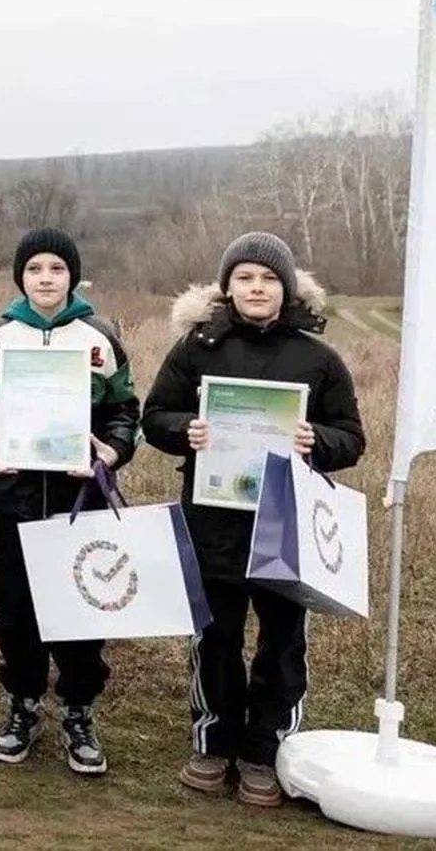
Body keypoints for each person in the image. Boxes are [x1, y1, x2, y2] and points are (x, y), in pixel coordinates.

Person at [141, 231, 366, 807]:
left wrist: (317, 438)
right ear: (227, 287)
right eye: (245, 278)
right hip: (213, 519)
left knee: (282, 642)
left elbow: (352, 437)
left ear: (286, 287)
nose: (256, 288)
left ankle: (264, 751)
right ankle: (213, 744)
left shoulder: (317, 358)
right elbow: (156, 415)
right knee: (214, 638)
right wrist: (182, 432)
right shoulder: (197, 348)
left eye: (268, 279)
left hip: (287, 527)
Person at [0, 228, 139, 775]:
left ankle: (80, 712)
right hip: (12, 501)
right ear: (21, 277)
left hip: (76, 501)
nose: (45, 278)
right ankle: (23, 705)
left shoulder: (100, 337)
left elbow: (124, 412)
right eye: (34, 269)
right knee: (15, 614)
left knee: (80, 611)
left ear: (72, 277)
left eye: (56, 269)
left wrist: (111, 453)